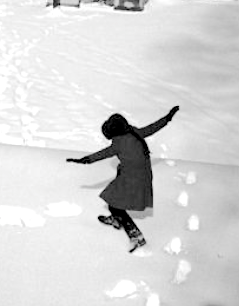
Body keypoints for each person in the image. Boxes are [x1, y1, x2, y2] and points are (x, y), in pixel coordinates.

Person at [67, 106, 179, 253]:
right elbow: (152, 128)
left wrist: (86, 160)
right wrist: (167, 118)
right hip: (140, 174)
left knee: (115, 206)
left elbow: (104, 153)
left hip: (133, 178)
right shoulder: (134, 132)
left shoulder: (119, 143)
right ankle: (116, 219)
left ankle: (136, 236)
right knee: (113, 195)